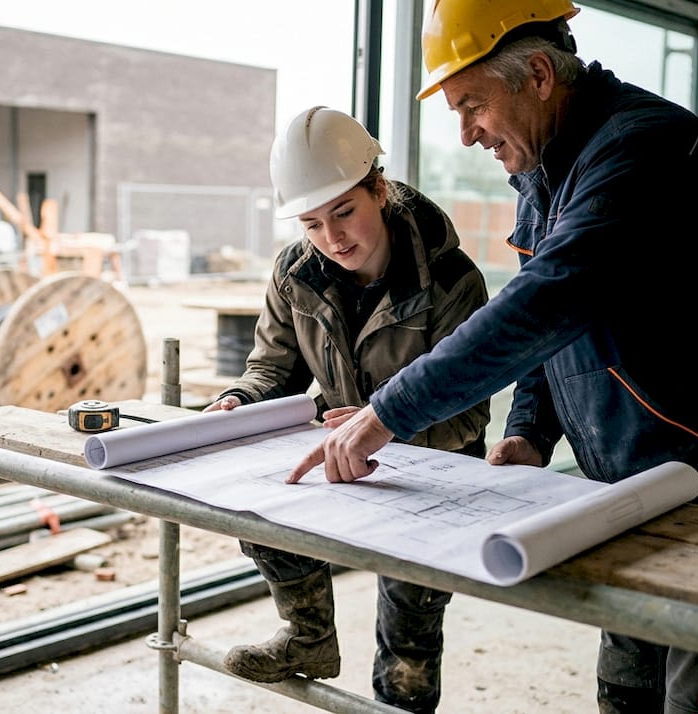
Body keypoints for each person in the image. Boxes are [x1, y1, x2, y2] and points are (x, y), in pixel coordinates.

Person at [288, 2, 698, 712]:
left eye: (473, 104)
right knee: (628, 680)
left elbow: (547, 300)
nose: (466, 132)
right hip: (636, 473)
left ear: (538, 74)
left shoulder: (644, 149)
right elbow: (556, 326)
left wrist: (388, 411)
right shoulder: (547, 171)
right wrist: (530, 431)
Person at [207, 105, 490, 713]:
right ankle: (309, 638)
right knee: (254, 502)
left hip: (433, 469)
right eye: (311, 223)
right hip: (337, 455)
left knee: (408, 637)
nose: (333, 239)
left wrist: (380, 423)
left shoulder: (450, 279)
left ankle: (402, 701)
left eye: (345, 212)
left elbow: (467, 414)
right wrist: (238, 401)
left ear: (379, 190)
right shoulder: (294, 272)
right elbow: (272, 369)